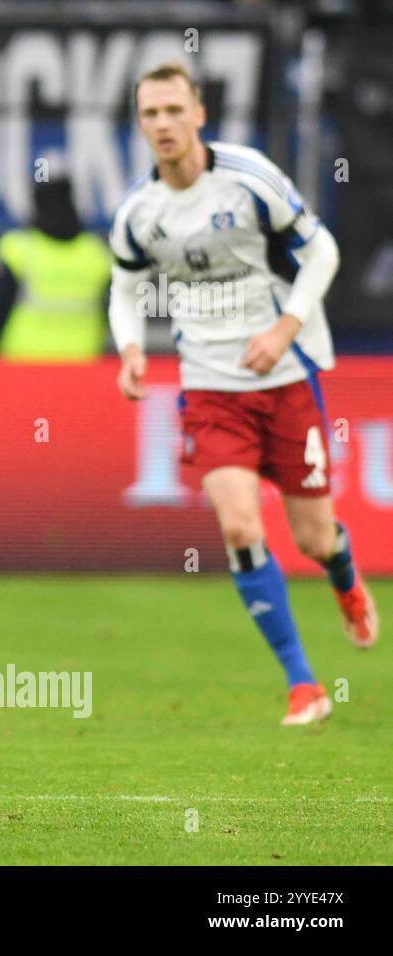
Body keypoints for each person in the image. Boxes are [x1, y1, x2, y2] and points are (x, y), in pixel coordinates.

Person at [108, 62, 377, 727]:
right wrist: (132, 348)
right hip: (209, 389)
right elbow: (124, 286)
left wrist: (286, 330)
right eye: (151, 114)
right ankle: (302, 683)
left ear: (199, 113)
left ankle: (342, 573)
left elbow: (323, 253)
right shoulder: (139, 213)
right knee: (237, 526)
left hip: (285, 381)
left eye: (175, 110)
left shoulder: (251, 178)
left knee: (313, 539)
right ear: (140, 124)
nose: (164, 124)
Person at [0, 178, 113, 361]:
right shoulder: (96, 252)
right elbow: (112, 310)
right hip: (82, 359)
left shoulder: (19, 248)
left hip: (22, 358)